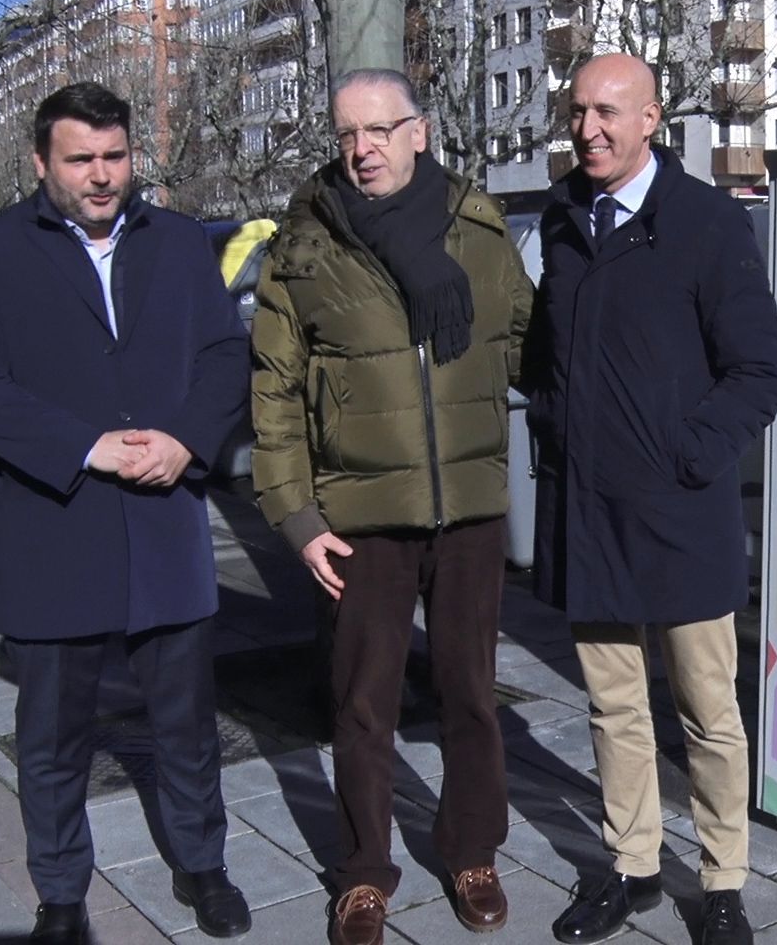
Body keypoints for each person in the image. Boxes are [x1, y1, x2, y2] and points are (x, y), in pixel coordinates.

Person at [0, 82, 253, 944]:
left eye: (115, 157)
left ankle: (203, 866)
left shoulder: (181, 243)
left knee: (186, 723)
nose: (102, 176)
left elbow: (227, 354)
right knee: (53, 736)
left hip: (165, 522)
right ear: (43, 163)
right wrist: (86, 447)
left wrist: (189, 438)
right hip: (54, 524)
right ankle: (62, 893)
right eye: (81, 160)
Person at [250, 69, 533, 945]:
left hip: (471, 505)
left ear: (421, 130)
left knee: (470, 696)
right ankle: (365, 872)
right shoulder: (304, 247)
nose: (362, 150)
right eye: (347, 135)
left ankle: (472, 851)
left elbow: (528, 345)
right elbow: (274, 394)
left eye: (379, 130)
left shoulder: (479, 232)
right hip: (360, 516)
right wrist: (298, 520)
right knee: (363, 704)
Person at [525, 54, 777, 945]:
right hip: (590, 512)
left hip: (680, 513)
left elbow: (760, 372)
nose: (588, 129)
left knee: (708, 713)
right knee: (612, 705)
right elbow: (544, 359)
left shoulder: (709, 225)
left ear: (652, 118)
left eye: (608, 112)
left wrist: (687, 456)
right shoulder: (564, 219)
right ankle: (631, 865)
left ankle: (722, 881)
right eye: (578, 112)